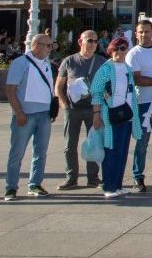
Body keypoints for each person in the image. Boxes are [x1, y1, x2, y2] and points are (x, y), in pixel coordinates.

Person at [3, 34, 56, 201]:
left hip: (44, 114)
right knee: (17, 153)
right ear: (36, 45)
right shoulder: (20, 63)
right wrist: (18, 112)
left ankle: (35, 184)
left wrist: (52, 111)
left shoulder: (47, 63)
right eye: (48, 46)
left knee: (40, 152)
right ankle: (11, 187)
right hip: (25, 114)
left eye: (51, 46)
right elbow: (10, 90)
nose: (50, 49)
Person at [90, 37, 142, 199]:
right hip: (110, 115)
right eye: (117, 48)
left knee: (122, 151)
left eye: (124, 48)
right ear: (111, 50)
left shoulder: (126, 68)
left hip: (125, 115)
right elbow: (96, 92)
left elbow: (131, 92)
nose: (120, 52)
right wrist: (96, 114)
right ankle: (109, 185)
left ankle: (118, 185)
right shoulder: (106, 69)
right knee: (111, 150)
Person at [55, 30, 104, 190]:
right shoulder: (69, 61)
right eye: (89, 40)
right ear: (80, 41)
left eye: (95, 41)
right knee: (70, 145)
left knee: (94, 143)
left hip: (93, 108)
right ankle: (71, 177)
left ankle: (93, 177)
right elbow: (59, 86)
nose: (93, 44)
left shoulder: (102, 62)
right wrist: (64, 105)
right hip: (73, 109)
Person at [126, 20, 152, 192]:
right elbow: (137, 79)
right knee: (142, 141)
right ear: (136, 33)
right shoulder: (133, 54)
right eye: (141, 32)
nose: (144, 35)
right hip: (144, 103)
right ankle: (137, 176)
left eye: (147, 31)